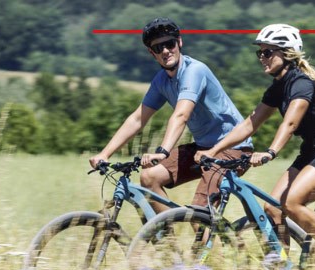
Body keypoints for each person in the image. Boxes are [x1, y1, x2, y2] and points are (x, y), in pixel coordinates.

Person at [194, 23, 315, 265]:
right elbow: (249, 124)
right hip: (313, 151)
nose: (262, 58)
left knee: (291, 202)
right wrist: (213, 150)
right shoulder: (278, 87)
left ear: (287, 53)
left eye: (267, 52)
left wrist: (271, 152)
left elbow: (290, 124)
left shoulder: (301, 84)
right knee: (272, 208)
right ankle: (282, 269)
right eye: (259, 53)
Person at [89, 17, 253, 211]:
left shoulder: (194, 71)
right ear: (152, 53)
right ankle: (169, 239)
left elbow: (181, 115)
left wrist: (162, 152)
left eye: (170, 44)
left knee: (200, 213)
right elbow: (137, 118)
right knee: (149, 177)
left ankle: (205, 232)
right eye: (158, 48)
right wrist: (105, 153)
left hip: (233, 148)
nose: (166, 51)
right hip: (203, 148)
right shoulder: (161, 81)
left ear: (179, 42)